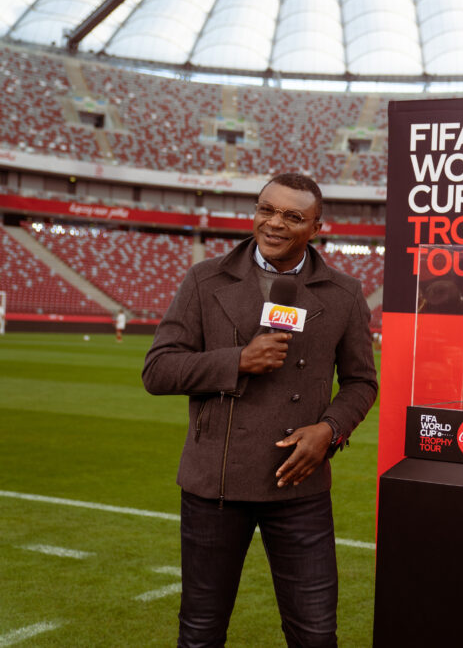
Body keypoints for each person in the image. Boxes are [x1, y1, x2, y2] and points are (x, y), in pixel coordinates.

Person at [142, 173, 378, 647]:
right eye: (266, 209)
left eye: (293, 216)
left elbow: (360, 382)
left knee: (314, 634)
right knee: (201, 632)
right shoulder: (204, 279)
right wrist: (238, 361)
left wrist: (330, 430)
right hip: (216, 486)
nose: (274, 223)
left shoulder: (344, 292)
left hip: (299, 482)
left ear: (316, 227)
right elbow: (158, 371)